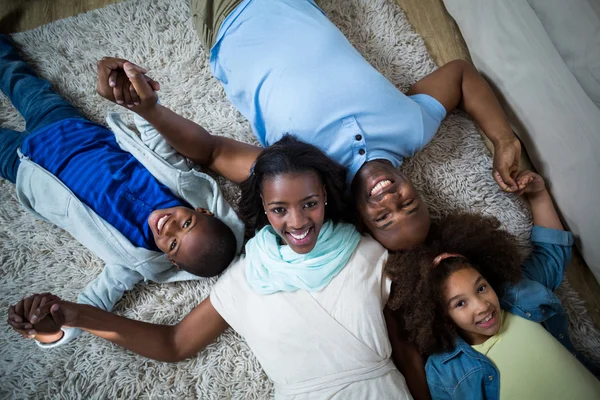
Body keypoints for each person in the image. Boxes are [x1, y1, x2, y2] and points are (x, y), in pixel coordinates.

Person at [9, 136, 415, 399]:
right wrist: (77, 315)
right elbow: (174, 344)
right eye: (279, 209)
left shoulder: (368, 254)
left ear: (325, 195)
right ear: (264, 210)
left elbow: (409, 353)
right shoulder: (244, 277)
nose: (297, 223)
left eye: (309, 203)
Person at [101, 0, 523, 252]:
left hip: (226, 18)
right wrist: (503, 139)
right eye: (407, 204)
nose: (389, 199)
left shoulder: (303, 176)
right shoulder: (413, 129)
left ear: (361, 218)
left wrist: (150, 109)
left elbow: (213, 152)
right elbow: (461, 75)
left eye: (384, 218)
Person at [0, 34, 244, 347]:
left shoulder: (133, 262)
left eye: (171, 243)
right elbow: (158, 140)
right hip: (67, 127)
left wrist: (50, 331)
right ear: (202, 211)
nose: (168, 226)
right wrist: (139, 102)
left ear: (171, 261)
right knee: (17, 78)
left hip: (28, 168)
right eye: (186, 224)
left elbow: (91, 306)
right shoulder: (182, 181)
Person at [385, 170, 600, 399]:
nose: (482, 306)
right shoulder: (446, 370)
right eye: (460, 304)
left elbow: (551, 254)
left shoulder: (518, 293)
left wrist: (538, 195)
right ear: (441, 315)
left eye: (481, 288)